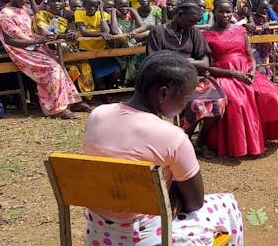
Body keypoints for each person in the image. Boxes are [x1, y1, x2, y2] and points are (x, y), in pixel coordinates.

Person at [83, 51, 244, 245]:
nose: (187, 105)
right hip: (147, 237)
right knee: (228, 204)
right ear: (163, 94)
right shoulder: (172, 136)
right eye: (185, 98)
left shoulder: (97, 115)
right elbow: (194, 202)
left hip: (99, 234)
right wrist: (172, 192)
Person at [202, 0, 278, 157]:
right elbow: (208, 67)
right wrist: (234, 74)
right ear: (214, 12)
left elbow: (249, 54)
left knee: (271, 95)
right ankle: (239, 145)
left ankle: (262, 135)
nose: (225, 15)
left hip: (247, 71)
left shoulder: (240, 31)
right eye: (221, 11)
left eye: (228, 11)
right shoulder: (207, 35)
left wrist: (252, 70)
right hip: (225, 75)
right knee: (238, 101)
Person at [146, 1, 227, 153]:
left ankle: (202, 139)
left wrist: (183, 62)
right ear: (179, 14)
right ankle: (184, 140)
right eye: (190, 21)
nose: (192, 24)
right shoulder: (158, 32)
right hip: (168, 80)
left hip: (194, 77)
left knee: (219, 102)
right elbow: (154, 62)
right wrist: (184, 61)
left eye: (195, 22)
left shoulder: (193, 32)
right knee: (195, 105)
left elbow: (205, 62)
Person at [0, 0, 83, 119]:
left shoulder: (23, 10)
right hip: (20, 52)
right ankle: (57, 109)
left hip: (34, 47)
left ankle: (72, 102)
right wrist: (36, 41)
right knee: (52, 68)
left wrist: (49, 37)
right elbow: (10, 40)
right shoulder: (5, 14)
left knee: (59, 64)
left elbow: (33, 30)